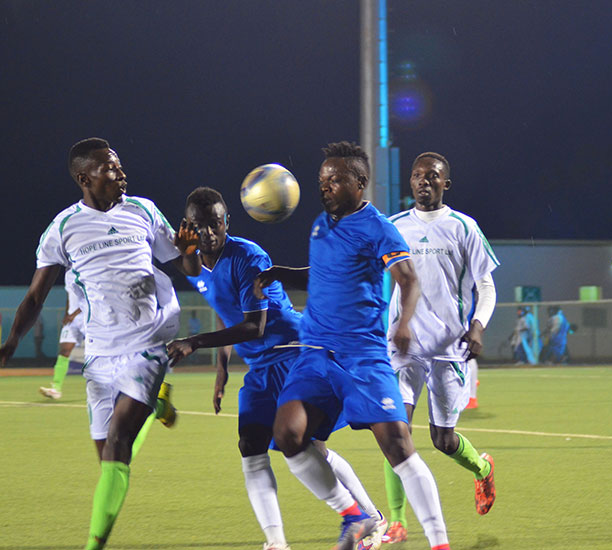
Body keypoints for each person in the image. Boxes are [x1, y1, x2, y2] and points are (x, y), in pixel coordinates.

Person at [0, 138, 199, 550]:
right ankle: (157, 402)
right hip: (100, 352)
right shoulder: (63, 228)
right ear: (84, 178)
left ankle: (93, 546)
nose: (121, 173)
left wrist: (191, 253)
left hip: (149, 341)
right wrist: (10, 342)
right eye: (110, 168)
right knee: (109, 456)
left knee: (117, 441)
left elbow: (181, 263)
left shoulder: (142, 210)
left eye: (120, 166)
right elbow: (36, 296)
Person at [166, 187, 385, 550]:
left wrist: (197, 342)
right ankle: (277, 542)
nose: (209, 232)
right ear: (189, 227)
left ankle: (365, 518)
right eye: (200, 226)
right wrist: (222, 368)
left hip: (293, 352)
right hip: (259, 365)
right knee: (251, 444)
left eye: (215, 223)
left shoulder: (248, 256)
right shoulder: (195, 265)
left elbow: (255, 325)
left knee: (307, 446)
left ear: (226, 222)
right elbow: (225, 307)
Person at [255, 141, 450, 550]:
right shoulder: (320, 224)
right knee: (288, 435)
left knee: (398, 445)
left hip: (361, 355)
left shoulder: (378, 227)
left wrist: (405, 324)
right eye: (323, 180)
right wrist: (282, 272)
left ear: (360, 183)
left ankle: (439, 542)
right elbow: (327, 271)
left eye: (336, 179)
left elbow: (409, 278)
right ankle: (355, 516)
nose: (326, 186)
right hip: (314, 354)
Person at [380, 151, 498, 544]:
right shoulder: (393, 227)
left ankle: (481, 468)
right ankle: (396, 521)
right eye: (417, 175)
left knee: (442, 440)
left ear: (446, 183)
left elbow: (486, 287)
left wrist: (477, 327)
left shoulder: (464, 227)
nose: (423, 181)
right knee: (394, 431)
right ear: (410, 182)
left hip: (450, 347)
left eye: (433, 176)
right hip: (404, 344)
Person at [39, 272, 86, 399]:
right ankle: (56, 388)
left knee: (101, 352)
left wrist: (73, 314)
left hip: (88, 317)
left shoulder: (86, 269)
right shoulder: (68, 274)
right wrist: (67, 314)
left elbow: (91, 297)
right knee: (64, 351)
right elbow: (68, 296)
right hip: (72, 320)